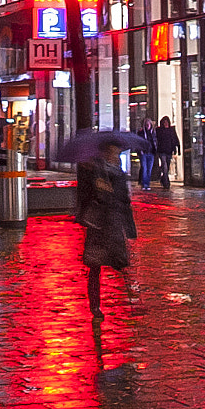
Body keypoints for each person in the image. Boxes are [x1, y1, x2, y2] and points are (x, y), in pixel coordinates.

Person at [76, 136, 138, 322]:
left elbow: (125, 201)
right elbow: (84, 197)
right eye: (112, 152)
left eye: (117, 153)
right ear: (104, 153)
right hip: (98, 225)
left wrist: (130, 228)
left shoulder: (119, 174)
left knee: (121, 263)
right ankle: (95, 306)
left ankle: (132, 301)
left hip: (114, 224)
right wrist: (98, 189)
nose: (115, 156)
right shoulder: (94, 171)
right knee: (95, 267)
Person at [153, 117, 181, 192]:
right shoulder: (159, 130)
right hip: (162, 151)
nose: (165, 124)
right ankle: (166, 183)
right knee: (164, 167)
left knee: (167, 167)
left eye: (166, 122)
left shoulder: (171, 130)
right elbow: (156, 140)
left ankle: (163, 179)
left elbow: (175, 139)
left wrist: (177, 148)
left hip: (169, 151)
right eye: (164, 122)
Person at [138, 118, 157, 191]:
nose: (147, 126)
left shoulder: (153, 133)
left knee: (149, 169)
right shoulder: (141, 132)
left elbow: (155, 142)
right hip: (144, 153)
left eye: (149, 124)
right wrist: (140, 151)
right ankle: (145, 184)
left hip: (151, 153)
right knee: (144, 169)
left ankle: (147, 184)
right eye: (146, 124)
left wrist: (155, 150)